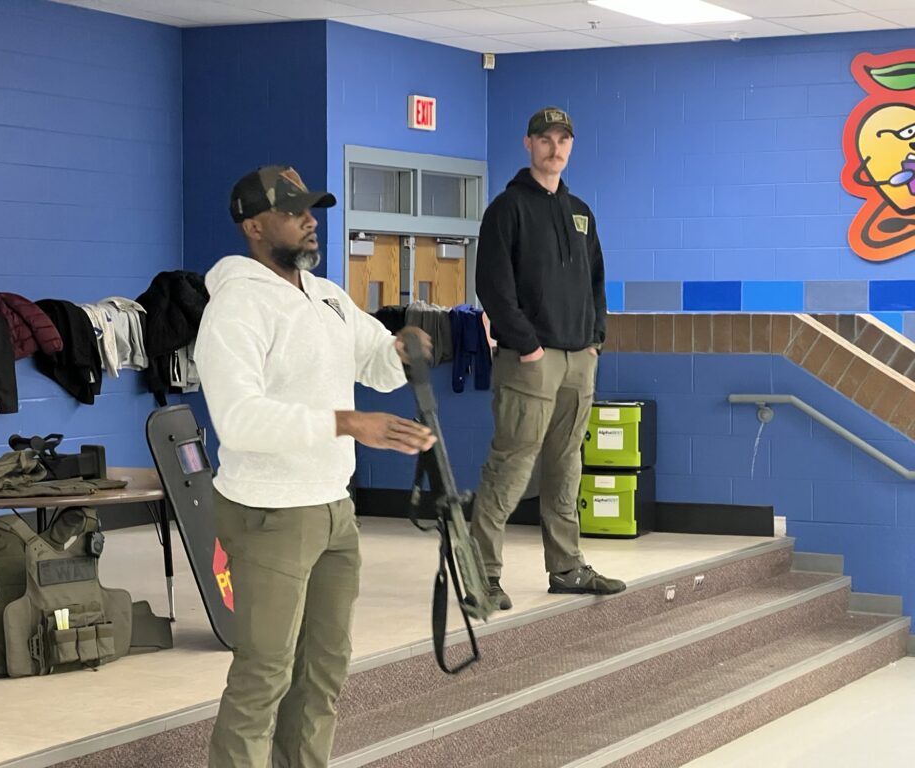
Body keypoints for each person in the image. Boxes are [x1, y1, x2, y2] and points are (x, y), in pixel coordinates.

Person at [194, 165, 435, 768]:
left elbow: (376, 363)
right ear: (252, 225)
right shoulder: (236, 307)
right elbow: (241, 419)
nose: (310, 221)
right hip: (269, 513)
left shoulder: (327, 295)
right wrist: (351, 423)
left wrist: (405, 350)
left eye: (313, 209)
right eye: (293, 210)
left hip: (333, 507)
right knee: (264, 675)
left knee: (323, 674)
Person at [470, 106, 625, 612]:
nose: (554, 147)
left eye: (562, 139)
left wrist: (594, 338)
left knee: (566, 465)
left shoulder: (580, 211)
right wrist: (529, 344)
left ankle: (567, 567)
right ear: (528, 144)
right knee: (512, 467)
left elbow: (596, 281)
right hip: (530, 360)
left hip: (579, 358)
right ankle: (482, 577)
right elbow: (494, 287)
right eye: (544, 139)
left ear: (571, 147)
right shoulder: (507, 209)